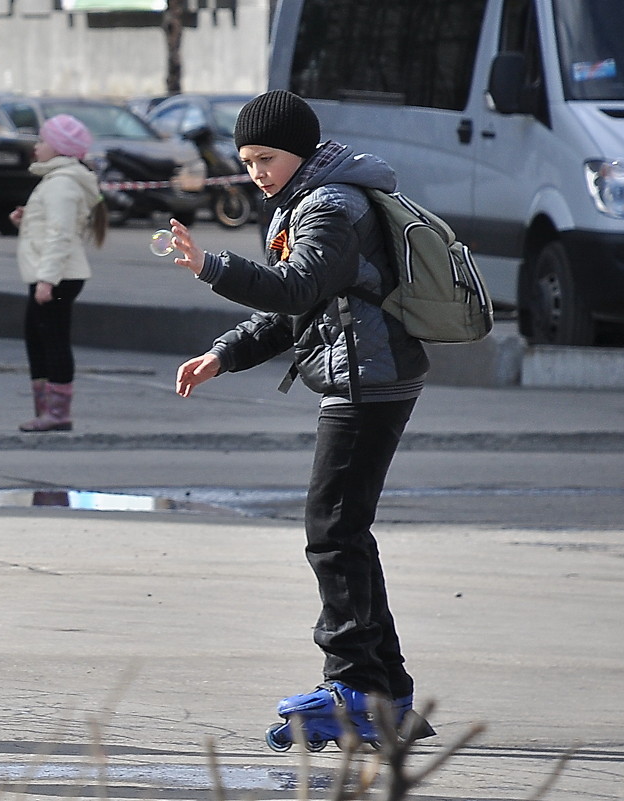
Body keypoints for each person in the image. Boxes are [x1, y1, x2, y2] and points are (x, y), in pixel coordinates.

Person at [169, 90, 432, 747]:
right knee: (347, 531)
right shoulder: (308, 199)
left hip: (368, 381)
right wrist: (223, 354)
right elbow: (299, 312)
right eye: (248, 160)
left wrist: (210, 266)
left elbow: (294, 288)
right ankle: (387, 691)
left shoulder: (332, 206)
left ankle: (352, 688)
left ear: (303, 151)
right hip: (368, 375)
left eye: (267, 157)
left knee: (331, 530)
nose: (257, 171)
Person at [9, 114, 107, 432]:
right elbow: (52, 224)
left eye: (41, 141)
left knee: (52, 340)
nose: (36, 147)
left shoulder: (62, 184)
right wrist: (26, 218)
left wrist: (47, 280)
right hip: (51, 274)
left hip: (57, 276)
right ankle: (45, 410)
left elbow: (61, 234)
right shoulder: (56, 180)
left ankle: (56, 413)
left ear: (60, 148)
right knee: (36, 338)